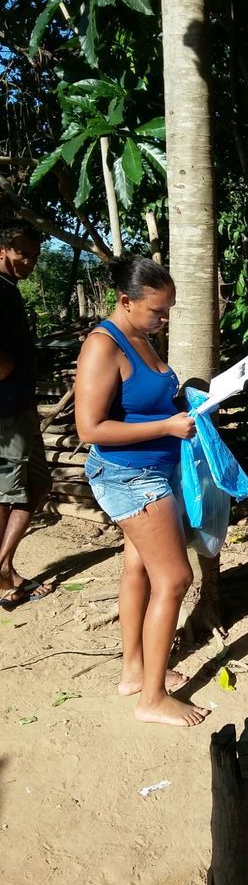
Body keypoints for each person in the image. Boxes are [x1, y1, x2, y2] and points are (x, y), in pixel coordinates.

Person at [75, 255, 210, 727]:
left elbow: (140, 403)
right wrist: (168, 425)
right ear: (126, 301)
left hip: (152, 468)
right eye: (157, 310)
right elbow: (90, 428)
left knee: (138, 569)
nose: (164, 318)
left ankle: (135, 670)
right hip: (131, 476)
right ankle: (151, 699)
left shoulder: (140, 337)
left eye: (168, 309)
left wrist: (184, 406)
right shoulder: (102, 345)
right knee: (174, 579)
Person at [0, 220, 53, 609]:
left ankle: (2, 567)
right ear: (2, 248)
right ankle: (3, 578)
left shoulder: (10, 290)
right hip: (6, 410)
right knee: (7, 491)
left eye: (34, 256)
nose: (28, 261)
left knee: (38, 481)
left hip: (20, 405)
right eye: (21, 252)